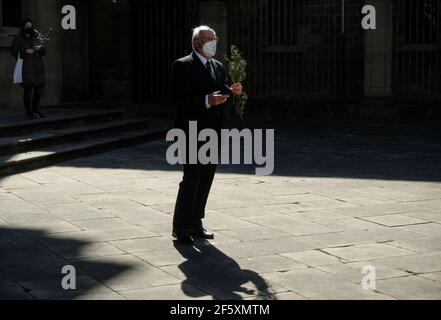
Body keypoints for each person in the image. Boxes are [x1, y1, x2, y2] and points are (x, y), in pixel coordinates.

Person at [171, 26, 243, 245]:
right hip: (191, 131)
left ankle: (196, 222)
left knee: (206, 178)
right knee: (192, 178)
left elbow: (220, 88)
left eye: (215, 39)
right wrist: (205, 100)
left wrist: (233, 91)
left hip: (213, 131)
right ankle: (180, 227)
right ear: (196, 43)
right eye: (208, 39)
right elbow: (178, 100)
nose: (214, 42)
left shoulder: (217, 66)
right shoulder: (183, 65)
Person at [10, 19, 46, 120]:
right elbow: (13, 51)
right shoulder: (18, 38)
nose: (29, 28)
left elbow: (44, 51)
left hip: (38, 67)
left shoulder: (36, 36)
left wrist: (41, 48)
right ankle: (29, 112)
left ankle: (35, 109)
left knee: (38, 91)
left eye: (30, 26)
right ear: (23, 27)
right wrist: (25, 51)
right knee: (28, 90)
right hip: (26, 68)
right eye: (27, 26)